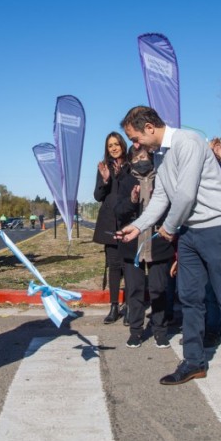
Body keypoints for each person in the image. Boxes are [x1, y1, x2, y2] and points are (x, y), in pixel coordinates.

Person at [119, 106, 221, 390]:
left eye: (135, 138)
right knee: (190, 299)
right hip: (190, 233)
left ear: (150, 128)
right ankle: (193, 362)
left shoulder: (188, 142)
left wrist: (168, 226)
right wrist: (139, 225)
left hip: (218, 228)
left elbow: (186, 194)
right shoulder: (161, 154)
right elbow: (162, 196)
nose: (135, 145)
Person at [115, 145, 173, 348]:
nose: (141, 160)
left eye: (144, 156)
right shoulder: (125, 180)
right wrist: (132, 200)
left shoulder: (163, 177)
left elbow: (173, 205)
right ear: (131, 161)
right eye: (137, 157)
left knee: (158, 289)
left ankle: (160, 330)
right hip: (133, 245)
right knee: (135, 290)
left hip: (158, 242)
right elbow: (118, 211)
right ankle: (136, 331)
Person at [93, 132, 128, 324]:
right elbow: (98, 196)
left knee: (129, 266)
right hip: (109, 222)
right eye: (110, 146)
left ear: (122, 145)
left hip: (128, 222)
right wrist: (106, 180)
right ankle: (114, 306)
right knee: (114, 265)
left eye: (116, 144)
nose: (113, 148)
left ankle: (130, 305)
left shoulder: (131, 165)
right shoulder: (103, 167)